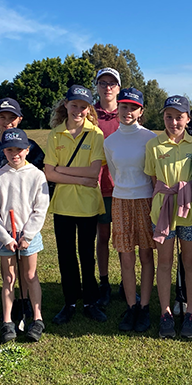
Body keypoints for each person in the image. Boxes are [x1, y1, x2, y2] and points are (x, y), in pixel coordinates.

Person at [45, 85, 108, 324]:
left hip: (88, 206)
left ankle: (90, 302)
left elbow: (94, 171)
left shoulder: (96, 134)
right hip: (62, 205)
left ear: (89, 108)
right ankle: (70, 301)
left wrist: (61, 169)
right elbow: (49, 174)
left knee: (87, 255)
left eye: (83, 107)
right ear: (66, 105)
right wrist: (80, 179)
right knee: (66, 256)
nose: (78, 111)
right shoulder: (55, 134)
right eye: (74, 106)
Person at [145, 96, 192, 339]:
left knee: (189, 261)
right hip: (162, 213)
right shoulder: (154, 145)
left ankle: (191, 311)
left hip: (189, 213)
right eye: (169, 116)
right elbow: (152, 179)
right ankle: (166, 312)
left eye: (179, 117)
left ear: (188, 119)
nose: (174, 121)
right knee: (165, 262)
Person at [0, 128, 49, 342]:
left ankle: (37, 318)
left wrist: (28, 235)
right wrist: (6, 238)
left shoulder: (36, 175)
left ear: (28, 150)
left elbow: (40, 209)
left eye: (20, 150)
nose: (15, 154)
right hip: (6, 236)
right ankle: (7, 321)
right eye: (10, 150)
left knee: (30, 275)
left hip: (28, 235)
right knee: (9, 278)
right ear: (3, 151)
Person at [104, 88, 157, 332]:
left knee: (146, 255)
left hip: (145, 199)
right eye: (123, 107)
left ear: (141, 111)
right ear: (118, 110)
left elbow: (151, 174)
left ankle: (144, 307)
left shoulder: (150, 139)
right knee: (126, 257)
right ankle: (131, 306)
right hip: (121, 200)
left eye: (133, 107)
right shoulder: (110, 141)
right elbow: (115, 173)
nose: (128, 112)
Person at [0, 97, 45, 227]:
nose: (7, 122)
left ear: (20, 119)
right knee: (3, 244)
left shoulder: (30, 147)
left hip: (26, 210)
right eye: (2, 117)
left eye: (12, 117)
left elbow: (40, 178)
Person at [94, 68, 121, 307]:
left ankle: (126, 281)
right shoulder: (91, 114)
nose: (108, 87)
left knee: (123, 238)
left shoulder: (126, 112)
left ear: (119, 88)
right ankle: (104, 282)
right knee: (102, 236)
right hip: (98, 186)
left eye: (112, 83)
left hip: (123, 186)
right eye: (103, 83)